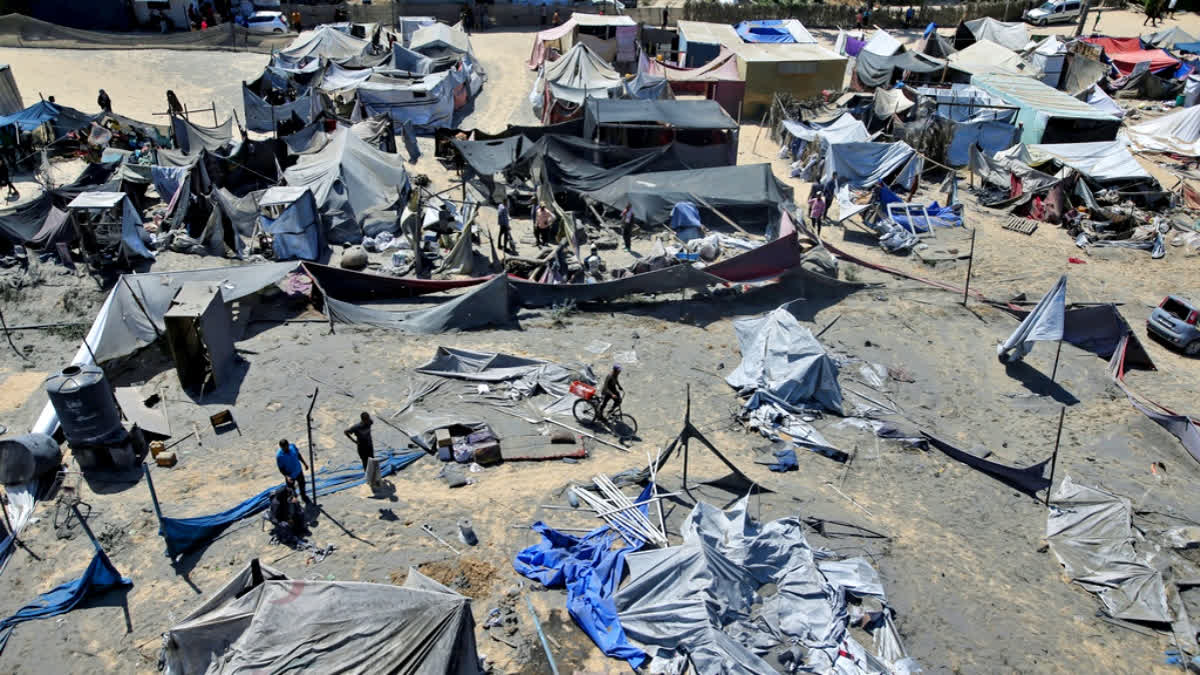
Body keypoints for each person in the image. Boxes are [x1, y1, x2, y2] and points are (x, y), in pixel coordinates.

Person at [276, 439, 311, 504]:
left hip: (298, 471)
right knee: (291, 491)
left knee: (302, 485)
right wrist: (287, 476)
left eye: (287, 447)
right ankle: (295, 504)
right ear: (281, 447)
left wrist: (304, 464)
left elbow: (298, 455)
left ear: (288, 445)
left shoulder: (293, 447)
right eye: (284, 448)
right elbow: (281, 468)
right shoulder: (279, 456)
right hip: (290, 475)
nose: (286, 449)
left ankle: (304, 496)